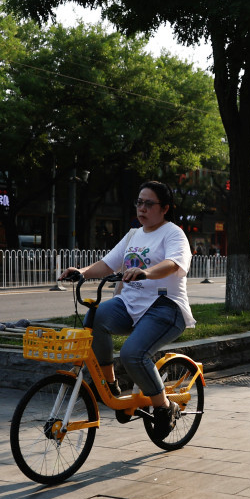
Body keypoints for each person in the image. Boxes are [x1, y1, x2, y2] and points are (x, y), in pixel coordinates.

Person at [61, 180, 195, 438]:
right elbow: (108, 264)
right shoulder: (134, 234)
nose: (142, 208)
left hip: (165, 307)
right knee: (95, 316)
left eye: (149, 204)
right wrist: (82, 272)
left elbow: (172, 264)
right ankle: (111, 385)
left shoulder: (174, 234)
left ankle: (165, 407)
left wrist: (146, 272)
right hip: (130, 304)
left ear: (164, 208)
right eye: (139, 202)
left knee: (133, 353)